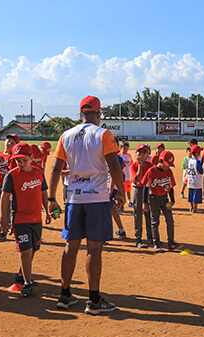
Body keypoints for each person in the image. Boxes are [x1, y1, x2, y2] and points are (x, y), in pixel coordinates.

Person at [48, 95, 125, 315]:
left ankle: (64, 295)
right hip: (97, 198)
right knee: (93, 249)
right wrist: (120, 191)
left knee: (70, 247)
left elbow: (55, 169)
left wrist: (52, 197)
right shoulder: (103, 134)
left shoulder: (66, 135)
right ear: (98, 114)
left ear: (80, 113)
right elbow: (114, 167)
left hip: (74, 198)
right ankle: (93, 300)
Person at [0, 143, 52, 297]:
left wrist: (47, 211)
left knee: (34, 249)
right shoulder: (12, 175)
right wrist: (3, 220)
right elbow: (4, 198)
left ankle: (21, 275)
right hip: (20, 219)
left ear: (31, 157)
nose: (21, 164)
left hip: (37, 218)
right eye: (17, 161)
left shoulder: (38, 173)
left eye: (24, 160)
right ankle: (27, 282)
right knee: (26, 251)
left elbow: (43, 192)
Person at [141, 150, 178, 252]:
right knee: (155, 222)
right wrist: (144, 203)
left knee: (170, 221)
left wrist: (172, 200)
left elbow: (170, 187)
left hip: (165, 198)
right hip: (153, 199)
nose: (168, 167)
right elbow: (145, 188)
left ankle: (171, 242)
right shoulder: (151, 171)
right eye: (166, 164)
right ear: (160, 161)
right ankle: (156, 244)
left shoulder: (169, 171)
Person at [0, 134, 19, 242]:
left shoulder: (14, 158)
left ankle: (2, 233)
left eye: (12, 143)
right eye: (8, 141)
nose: (9, 144)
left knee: (5, 208)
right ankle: (9, 221)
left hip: (9, 188)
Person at [130, 144, 153, 248]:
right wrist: (140, 165)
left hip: (147, 190)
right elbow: (138, 179)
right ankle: (138, 239)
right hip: (138, 190)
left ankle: (150, 237)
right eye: (139, 152)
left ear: (147, 155)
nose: (141, 154)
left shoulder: (150, 166)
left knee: (149, 213)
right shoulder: (133, 165)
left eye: (144, 152)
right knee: (138, 214)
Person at [186, 145, 203, 213]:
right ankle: (195, 208)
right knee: (196, 195)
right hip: (196, 181)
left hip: (190, 180)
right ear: (198, 154)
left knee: (191, 194)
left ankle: (191, 207)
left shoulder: (189, 160)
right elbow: (201, 171)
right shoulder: (197, 161)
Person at [118, 141, 133, 208]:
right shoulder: (119, 155)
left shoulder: (129, 156)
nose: (125, 149)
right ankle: (121, 203)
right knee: (121, 190)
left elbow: (131, 165)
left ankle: (129, 201)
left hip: (127, 176)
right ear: (121, 148)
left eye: (127, 148)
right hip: (121, 176)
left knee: (128, 189)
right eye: (124, 148)